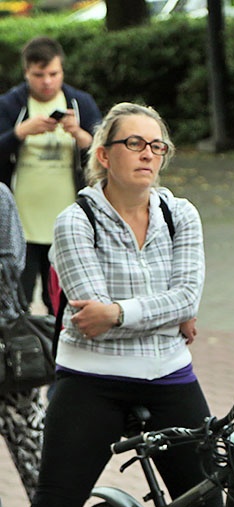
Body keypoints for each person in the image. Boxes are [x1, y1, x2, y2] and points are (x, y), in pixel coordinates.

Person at [0, 103, 222, 507]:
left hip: (170, 378)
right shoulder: (74, 221)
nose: (149, 154)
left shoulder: (180, 213)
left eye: (157, 145)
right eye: (135, 144)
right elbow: (90, 321)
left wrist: (120, 313)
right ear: (103, 154)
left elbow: (185, 298)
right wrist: (163, 314)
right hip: (91, 382)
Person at [0, 184, 73, 507]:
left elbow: (12, 268)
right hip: (10, 353)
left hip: (8, 355)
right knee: (35, 447)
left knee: (37, 450)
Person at [0, 36, 101, 315]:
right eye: (39, 75)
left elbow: (103, 153)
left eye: (53, 74)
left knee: (63, 301)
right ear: (26, 73)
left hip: (68, 221)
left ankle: (58, 355)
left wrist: (80, 134)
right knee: (16, 299)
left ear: (62, 71)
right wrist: (20, 132)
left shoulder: (81, 103)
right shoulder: (10, 104)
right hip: (21, 224)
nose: (47, 81)